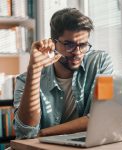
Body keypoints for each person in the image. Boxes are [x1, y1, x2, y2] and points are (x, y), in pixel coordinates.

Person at [13, 8, 113, 139]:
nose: (77, 52)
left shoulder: (100, 62)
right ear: (54, 43)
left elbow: (102, 117)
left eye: (83, 45)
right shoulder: (26, 80)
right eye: (69, 44)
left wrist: (45, 132)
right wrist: (34, 69)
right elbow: (26, 133)